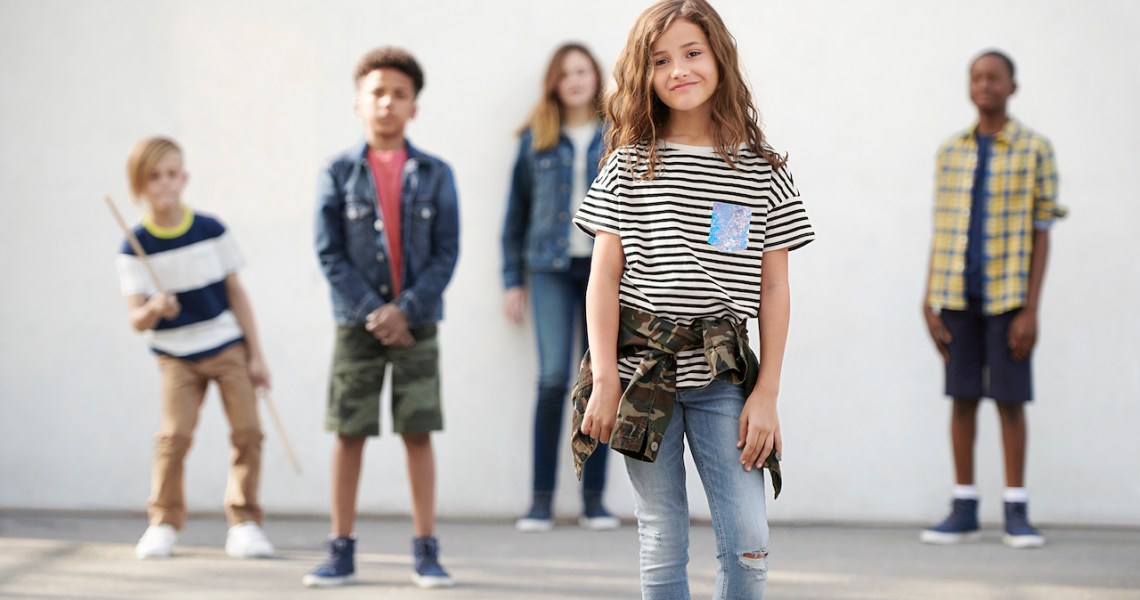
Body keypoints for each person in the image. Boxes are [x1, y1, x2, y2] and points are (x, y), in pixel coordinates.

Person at [572, 1, 814, 597]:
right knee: (662, 538)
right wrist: (604, 379)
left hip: (724, 376)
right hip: (639, 373)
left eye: (692, 53)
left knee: (748, 538)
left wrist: (768, 392)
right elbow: (603, 280)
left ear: (719, 59)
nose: (678, 69)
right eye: (660, 60)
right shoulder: (626, 166)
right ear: (643, 74)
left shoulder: (759, 170)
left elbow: (774, 286)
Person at [305, 46, 460, 589]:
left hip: (417, 324)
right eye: (377, 92)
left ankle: (426, 550)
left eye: (399, 94)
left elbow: (447, 253)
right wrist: (375, 311)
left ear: (414, 106)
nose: (387, 102)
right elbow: (329, 253)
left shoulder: (437, 174)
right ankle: (340, 550)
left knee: (417, 431)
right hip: (357, 324)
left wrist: (406, 310)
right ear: (358, 103)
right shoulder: (338, 171)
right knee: (349, 432)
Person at [920, 50, 1060, 549]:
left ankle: (1017, 510)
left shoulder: (1035, 149)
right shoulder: (950, 151)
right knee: (960, 398)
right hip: (956, 295)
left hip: (1008, 299)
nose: (984, 85)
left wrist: (1031, 308)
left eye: (993, 78)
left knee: (1009, 399)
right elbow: (944, 228)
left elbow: (1042, 232)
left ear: (1011, 86)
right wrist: (928, 298)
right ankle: (963, 507)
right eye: (976, 77)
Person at [114, 136, 275, 560]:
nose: (165, 184)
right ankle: (163, 522)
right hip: (175, 357)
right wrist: (153, 309)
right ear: (140, 184)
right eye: (154, 176)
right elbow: (135, 319)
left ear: (184, 177)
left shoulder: (210, 229)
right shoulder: (134, 246)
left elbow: (237, 294)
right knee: (174, 436)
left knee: (248, 432)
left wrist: (256, 354)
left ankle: (245, 521)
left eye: (172, 174)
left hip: (226, 347)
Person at [501, 42, 620, 533]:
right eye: (565, 73)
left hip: (604, 270)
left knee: (600, 379)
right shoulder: (536, 139)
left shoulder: (617, 134)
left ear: (595, 79)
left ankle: (593, 501)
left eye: (582, 71)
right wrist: (511, 280)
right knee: (553, 379)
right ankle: (540, 501)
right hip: (548, 269)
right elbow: (515, 216)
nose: (574, 80)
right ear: (554, 82)